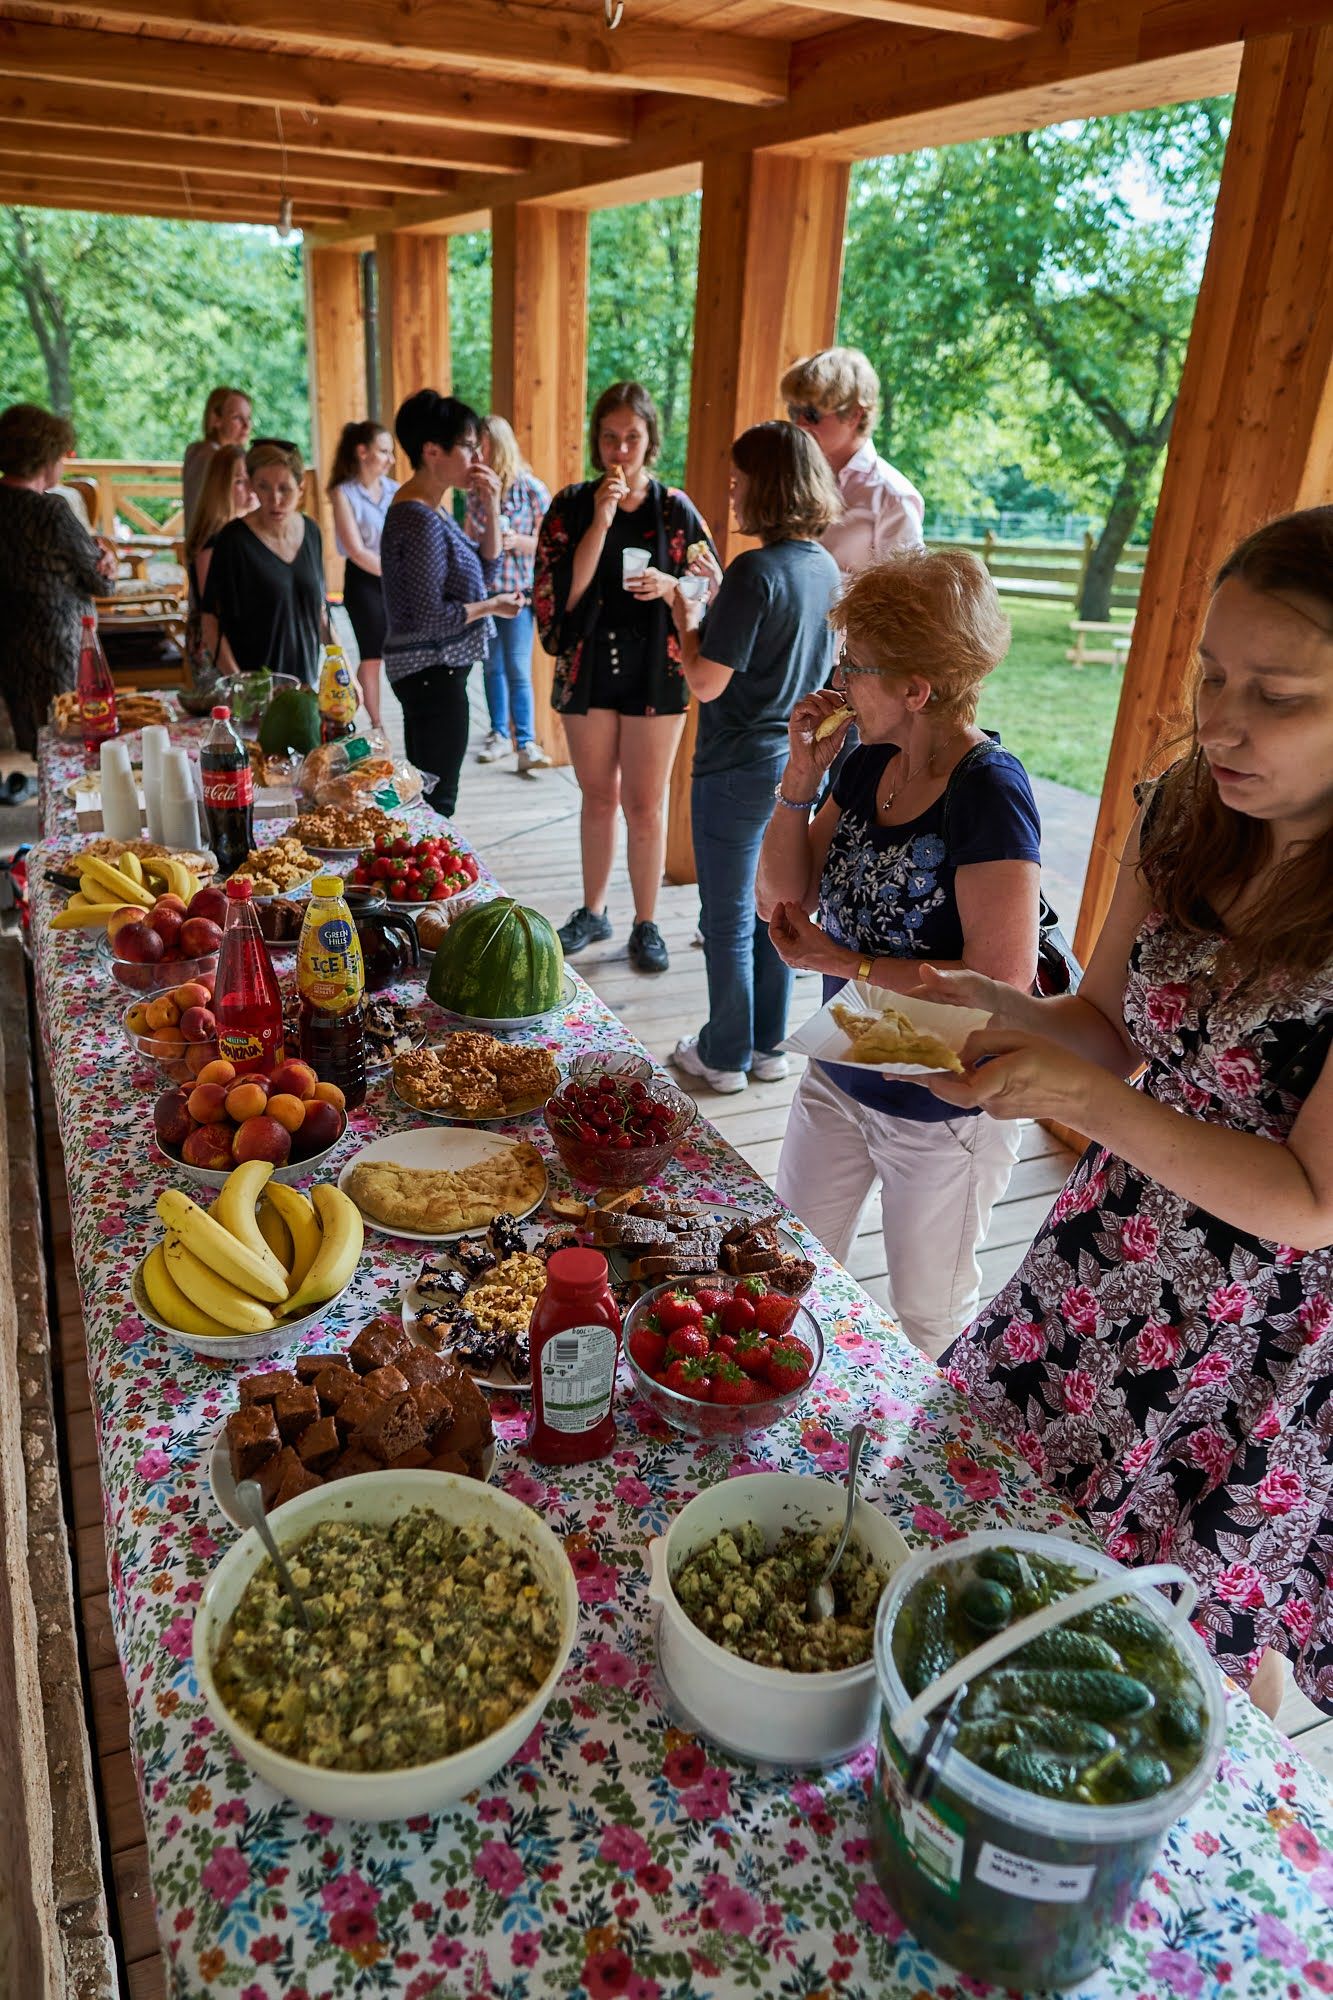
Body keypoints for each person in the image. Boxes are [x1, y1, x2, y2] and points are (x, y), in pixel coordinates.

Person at [921, 507, 1333, 1720]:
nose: (1220, 720)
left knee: (1184, 1636)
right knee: (990, 1503)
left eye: (1278, 694)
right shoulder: (1185, 808)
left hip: (1256, 1326)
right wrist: (995, 1008)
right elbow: (1105, 1021)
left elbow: (1311, 1203)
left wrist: (1091, 1100)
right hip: (1106, 1251)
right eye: (1211, 672)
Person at [756, 548, 1041, 1358]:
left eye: (855, 667)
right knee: (790, 1272)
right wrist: (798, 778)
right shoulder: (869, 756)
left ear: (916, 689)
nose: (838, 682)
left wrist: (841, 963)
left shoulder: (988, 791)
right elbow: (782, 897)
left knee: (926, 1313)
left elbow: (1000, 983)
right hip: (842, 1061)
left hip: (940, 1106)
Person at [668, 422, 842, 1094]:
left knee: (727, 916)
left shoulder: (755, 570)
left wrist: (687, 613)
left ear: (767, 487)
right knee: (779, 910)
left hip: (735, 763)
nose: (732, 494)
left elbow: (706, 680)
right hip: (793, 763)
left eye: (739, 482)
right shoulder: (820, 565)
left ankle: (722, 1054)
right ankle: (769, 1044)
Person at [533, 381, 715, 975]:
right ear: (597, 441)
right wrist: (601, 521)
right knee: (597, 797)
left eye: (631, 438)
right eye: (609, 438)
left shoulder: (674, 509)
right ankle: (593, 910)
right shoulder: (570, 505)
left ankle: (646, 920)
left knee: (643, 802)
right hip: (587, 669)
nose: (620, 450)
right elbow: (561, 596)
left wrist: (669, 586)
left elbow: (711, 586)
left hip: (656, 672)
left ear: (649, 441)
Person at [380, 390, 522, 817]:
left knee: (428, 794)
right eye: (468, 446)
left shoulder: (430, 509)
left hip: (434, 673)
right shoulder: (418, 518)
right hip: (430, 672)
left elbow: (486, 570)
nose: (478, 457)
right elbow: (431, 618)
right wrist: (491, 607)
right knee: (436, 802)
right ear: (432, 451)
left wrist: (493, 507)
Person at [0, 401, 117, 751]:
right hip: (58, 650)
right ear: (44, 456)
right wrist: (107, 561)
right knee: (70, 744)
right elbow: (102, 583)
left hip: (10, 644)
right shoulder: (51, 510)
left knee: (40, 745)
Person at [781, 348, 924, 578]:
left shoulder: (893, 496)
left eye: (811, 414)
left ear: (855, 415)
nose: (799, 423)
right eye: (793, 411)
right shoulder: (793, 477)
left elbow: (904, 598)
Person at [464, 414, 552, 773]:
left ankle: (526, 742)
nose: (476, 454)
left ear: (496, 446)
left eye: (480, 446)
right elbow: (470, 538)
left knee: (517, 667)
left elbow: (550, 545)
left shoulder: (532, 489)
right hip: (488, 596)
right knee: (491, 668)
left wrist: (519, 542)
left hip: (519, 597)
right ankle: (498, 735)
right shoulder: (474, 493)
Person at [200, 439, 327, 685]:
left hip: (306, 685)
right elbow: (210, 622)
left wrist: (343, 668)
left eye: (285, 488)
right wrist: (238, 682)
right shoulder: (233, 540)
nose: (275, 499)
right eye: (264, 487)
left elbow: (321, 613)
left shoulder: (312, 532)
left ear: (301, 487)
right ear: (251, 486)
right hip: (255, 689)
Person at [328, 419, 399, 730]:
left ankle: (359, 713)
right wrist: (396, 572)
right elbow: (356, 549)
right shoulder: (343, 493)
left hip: (394, 579)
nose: (390, 459)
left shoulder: (396, 490)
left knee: (394, 651)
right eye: (383, 451)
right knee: (372, 655)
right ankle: (376, 724)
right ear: (362, 452)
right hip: (363, 581)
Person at [183, 444, 253, 676]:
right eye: (240, 481)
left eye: (251, 479)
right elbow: (212, 608)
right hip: (216, 650)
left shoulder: (243, 534)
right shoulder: (212, 542)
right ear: (221, 488)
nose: (251, 489)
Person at [182, 385, 252, 533]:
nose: (246, 426)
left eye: (248, 418)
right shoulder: (220, 459)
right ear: (215, 419)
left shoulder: (195, 452)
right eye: (237, 418)